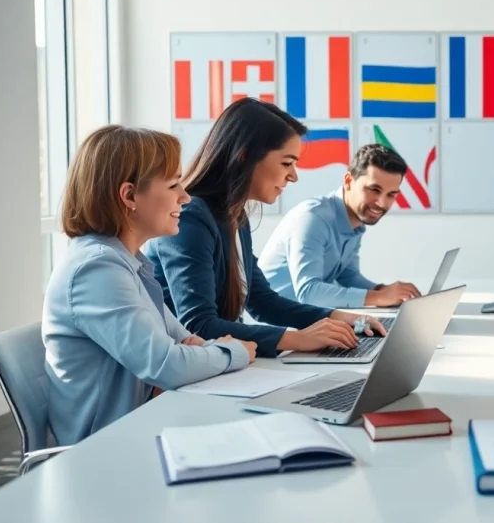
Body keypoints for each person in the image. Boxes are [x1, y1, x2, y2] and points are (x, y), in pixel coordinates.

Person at [42, 125, 256, 445]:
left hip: (142, 427)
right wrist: (234, 351)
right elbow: (167, 364)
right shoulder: (96, 270)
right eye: (173, 185)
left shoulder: (128, 262)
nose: (185, 196)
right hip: (103, 452)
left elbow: (185, 342)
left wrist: (198, 353)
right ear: (129, 196)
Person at [144, 98, 385, 358]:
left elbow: (262, 302)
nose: (294, 175)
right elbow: (198, 324)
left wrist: (338, 317)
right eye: (286, 163)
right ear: (244, 155)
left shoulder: (234, 216)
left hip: (222, 364)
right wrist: (297, 339)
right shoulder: (191, 218)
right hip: (182, 374)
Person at [259, 144, 421, 308]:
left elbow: (348, 276)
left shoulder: (356, 223)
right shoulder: (313, 217)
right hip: (270, 324)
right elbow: (309, 293)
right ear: (348, 181)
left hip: (303, 320)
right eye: (374, 189)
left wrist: (383, 290)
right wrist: (379, 297)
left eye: (391, 195)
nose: (381, 203)